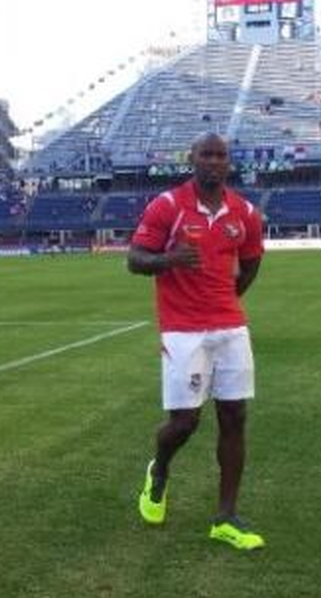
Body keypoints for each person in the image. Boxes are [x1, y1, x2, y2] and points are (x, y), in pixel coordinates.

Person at [127, 132, 267, 551]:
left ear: (229, 162)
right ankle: (159, 470)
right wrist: (168, 260)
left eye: (221, 155)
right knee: (185, 423)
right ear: (192, 159)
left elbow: (252, 262)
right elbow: (134, 259)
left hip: (230, 327)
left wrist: (225, 301)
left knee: (235, 417)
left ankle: (226, 518)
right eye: (206, 154)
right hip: (182, 329)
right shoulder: (168, 205)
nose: (214, 161)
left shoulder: (244, 212)